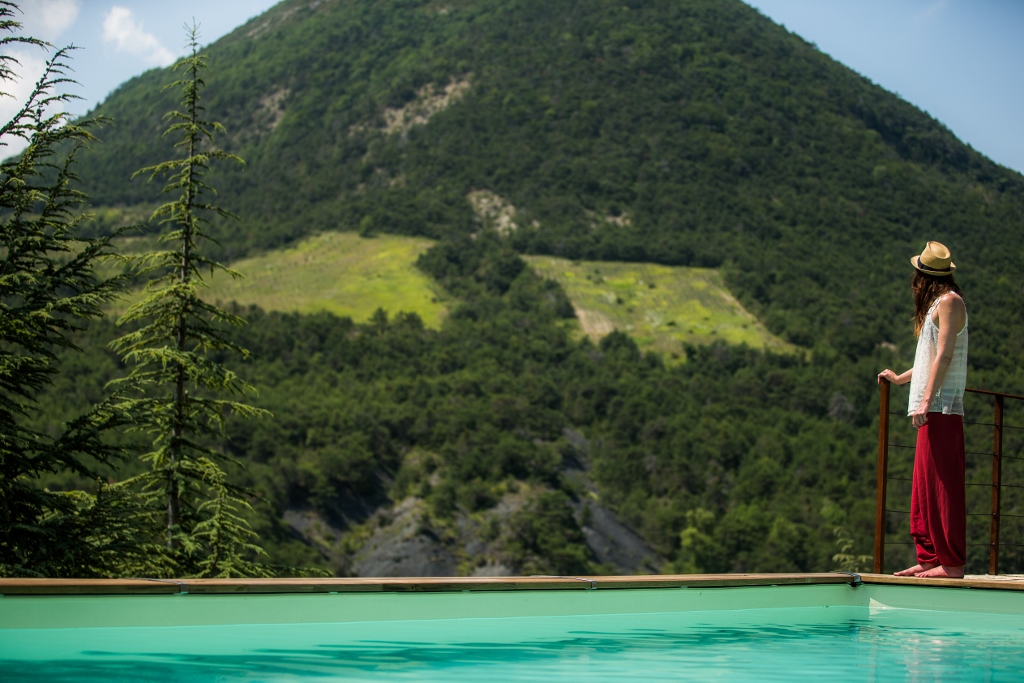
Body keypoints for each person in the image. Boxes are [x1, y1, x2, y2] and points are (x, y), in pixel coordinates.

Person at [877, 241, 968, 579]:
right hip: (930, 406)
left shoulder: (950, 303)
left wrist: (927, 400)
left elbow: (945, 355)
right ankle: (931, 557)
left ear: (924, 277)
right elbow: (929, 357)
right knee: (924, 485)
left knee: (943, 485)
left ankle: (952, 563)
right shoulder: (938, 303)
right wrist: (900, 379)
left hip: (942, 408)